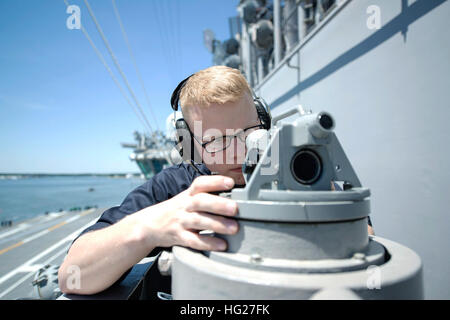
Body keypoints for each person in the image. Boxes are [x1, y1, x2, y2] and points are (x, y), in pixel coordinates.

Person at [58, 66, 374, 295]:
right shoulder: (175, 189)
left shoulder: (300, 173)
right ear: (192, 145)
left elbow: (367, 241)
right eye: (217, 140)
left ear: (263, 121)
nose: (238, 152)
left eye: (248, 133)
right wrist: (149, 228)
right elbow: (73, 274)